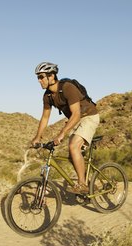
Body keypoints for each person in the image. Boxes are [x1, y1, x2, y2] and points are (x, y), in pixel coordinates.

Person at [31, 62, 100, 194]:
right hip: (76, 120)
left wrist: (62, 133)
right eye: (38, 78)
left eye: (41, 77)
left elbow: (76, 114)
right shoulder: (48, 96)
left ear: (51, 76)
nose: (39, 80)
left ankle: (82, 185)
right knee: (72, 154)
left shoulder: (67, 88)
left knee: (74, 146)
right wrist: (37, 136)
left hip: (88, 116)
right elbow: (45, 117)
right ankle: (87, 181)